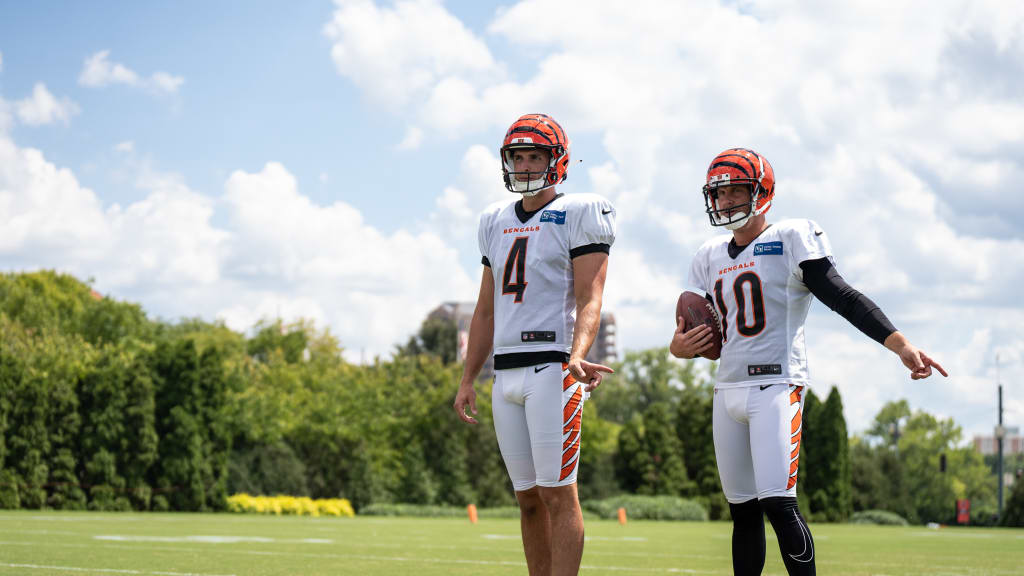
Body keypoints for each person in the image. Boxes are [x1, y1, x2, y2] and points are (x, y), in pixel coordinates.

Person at [670, 148, 947, 576]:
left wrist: (900, 345)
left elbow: (842, 297)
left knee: (779, 505)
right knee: (742, 513)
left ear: (763, 193)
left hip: (777, 386)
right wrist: (679, 348)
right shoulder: (707, 256)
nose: (726, 202)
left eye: (736, 191)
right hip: (726, 390)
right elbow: (692, 334)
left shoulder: (791, 236)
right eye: (719, 194)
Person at [454, 113, 616, 576]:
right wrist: (467, 378)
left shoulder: (580, 212)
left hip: (553, 367)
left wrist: (579, 354)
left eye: (534, 156)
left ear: (557, 160)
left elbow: (591, 297)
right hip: (504, 371)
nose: (524, 165)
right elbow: (485, 311)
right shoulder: (494, 220)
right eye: (517, 157)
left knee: (558, 492)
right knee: (527, 500)